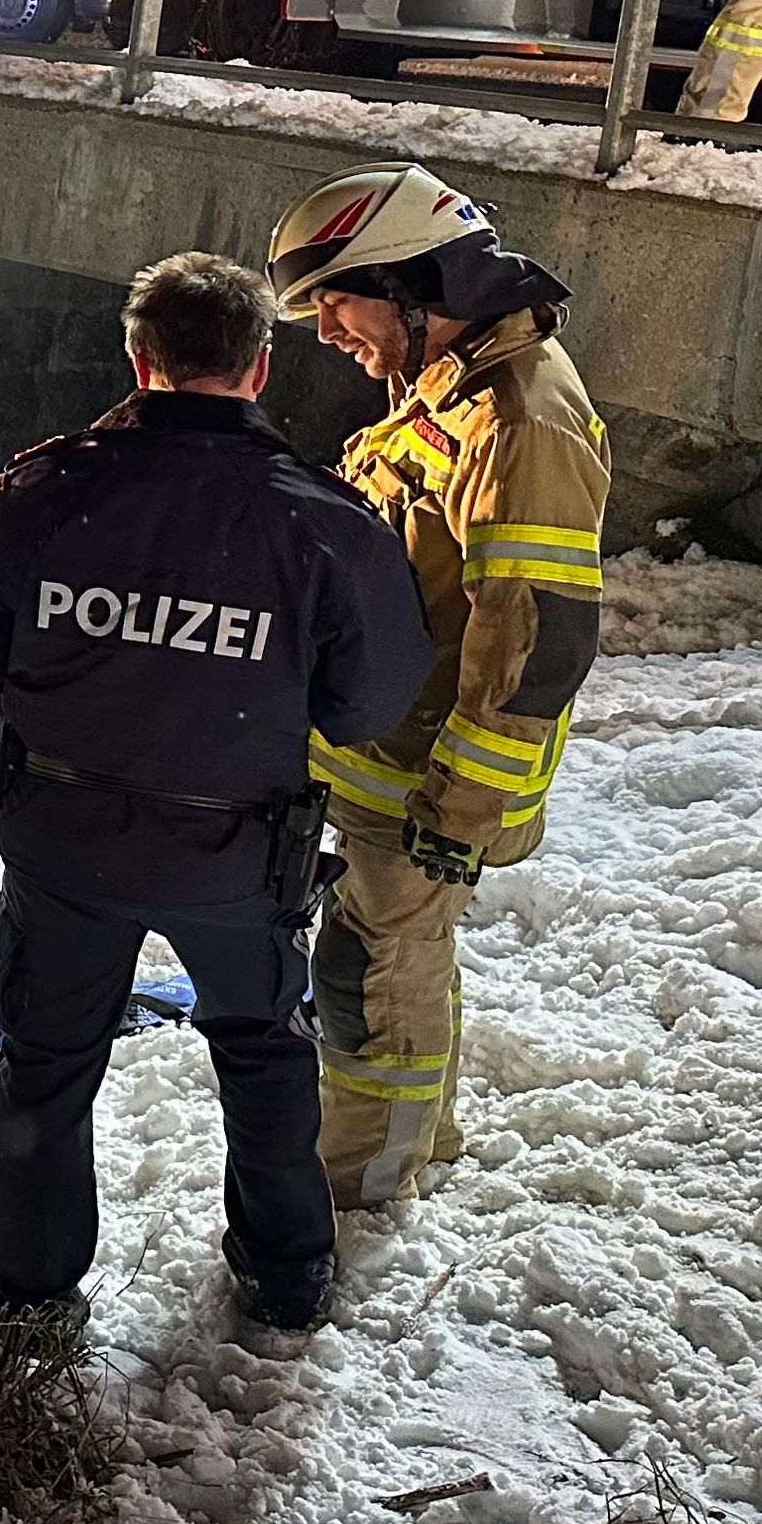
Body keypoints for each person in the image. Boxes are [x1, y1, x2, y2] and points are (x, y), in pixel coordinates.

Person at [0, 252, 434, 1339]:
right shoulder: (322, 522)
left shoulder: (45, 489)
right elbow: (369, 702)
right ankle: (289, 1271)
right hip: (236, 852)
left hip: (65, 843)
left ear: (136, 360)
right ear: (258, 370)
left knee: (48, 1067)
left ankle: (31, 1300)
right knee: (261, 1052)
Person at [266, 162, 611, 1211]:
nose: (326, 330)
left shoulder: (520, 422)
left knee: (374, 977)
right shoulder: (447, 388)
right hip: (388, 758)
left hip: (428, 781)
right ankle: (418, 1145)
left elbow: (534, 646)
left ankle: (363, 1189)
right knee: (391, 958)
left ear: (416, 283)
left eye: (337, 300)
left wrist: (456, 809)